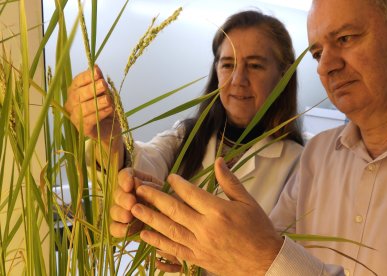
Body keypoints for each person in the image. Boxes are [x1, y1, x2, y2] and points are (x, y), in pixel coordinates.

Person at [125, 0, 387, 275]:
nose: (326, 66)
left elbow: (267, 256)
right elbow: (258, 251)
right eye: (317, 54)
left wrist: (261, 258)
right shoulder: (320, 156)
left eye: (346, 39)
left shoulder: (301, 156)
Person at [65, 10, 304, 273]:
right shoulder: (185, 138)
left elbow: (290, 262)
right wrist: (109, 138)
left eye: (255, 65)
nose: (238, 80)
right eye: (227, 64)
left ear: (283, 74)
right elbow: (144, 162)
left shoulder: (300, 165)